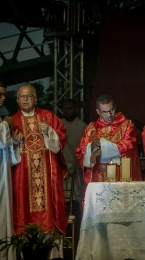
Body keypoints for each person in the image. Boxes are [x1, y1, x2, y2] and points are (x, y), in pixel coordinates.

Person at [11, 84, 68, 259]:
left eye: (29, 96)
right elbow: (6, 156)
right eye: (22, 96)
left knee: (48, 211)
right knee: (22, 209)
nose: (26, 99)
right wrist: (13, 143)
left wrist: (48, 131)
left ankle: (51, 255)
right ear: (17, 100)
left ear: (36, 99)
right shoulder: (12, 121)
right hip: (22, 178)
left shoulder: (48, 116)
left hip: (46, 177)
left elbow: (59, 145)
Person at [76, 94, 142, 205]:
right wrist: (90, 147)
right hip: (98, 177)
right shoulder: (91, 128)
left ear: (115, 108)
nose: (109, 115)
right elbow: (80, 151)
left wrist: (103, 150)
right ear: (98, 112)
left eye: (111, 110)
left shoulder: (127, 125)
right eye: (104, 112)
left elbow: (129, 145)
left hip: (120, 177)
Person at [0, 82, 22, 260]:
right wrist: (6, 125)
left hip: (3, 169)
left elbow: (4, 146)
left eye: (4, 95)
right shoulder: (5, 118)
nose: (2, 98)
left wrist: (14, 143)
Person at [61, 99, 87, 212]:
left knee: (75, 203)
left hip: (77, 171)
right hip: (61, 168)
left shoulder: (83, 127)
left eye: (69, 108)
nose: (67, 111)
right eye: (64, 108)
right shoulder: (59, 124)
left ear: (76, 110)